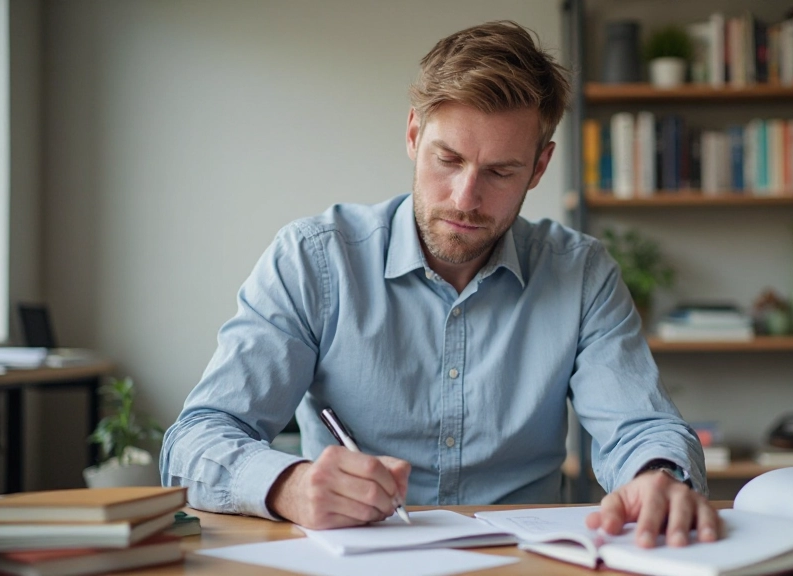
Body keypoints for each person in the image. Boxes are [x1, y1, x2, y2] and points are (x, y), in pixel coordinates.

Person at [161, 20, 719, 549]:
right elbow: (195, 442)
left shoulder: (581, 273)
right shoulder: (313, 260)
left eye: (500, 172)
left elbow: (640, 425)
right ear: (413, 133)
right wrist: (291, 486)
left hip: (522, 563)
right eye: (448, 159)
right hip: (357, 560)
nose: (465, 198)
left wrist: (656, 476)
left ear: (539, 168)